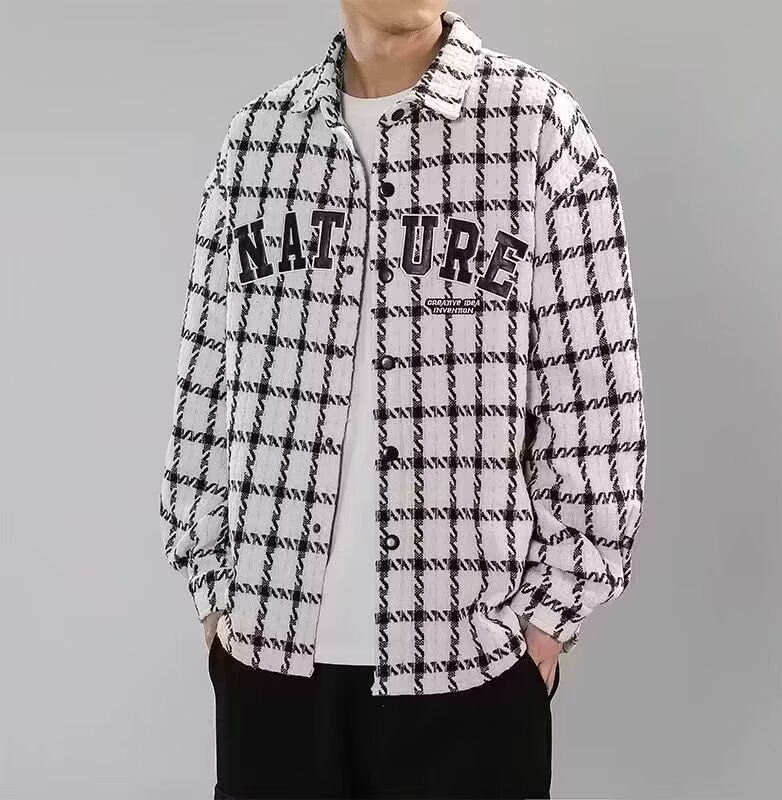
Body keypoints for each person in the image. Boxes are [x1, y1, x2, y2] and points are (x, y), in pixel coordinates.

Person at [158, 2, 647, 798]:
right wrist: (216, 594)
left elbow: (596, 399)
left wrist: (548, 619)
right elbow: (205, 381)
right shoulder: (257, 143)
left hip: (469, 669)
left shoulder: (539, 131)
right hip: (267, 661)